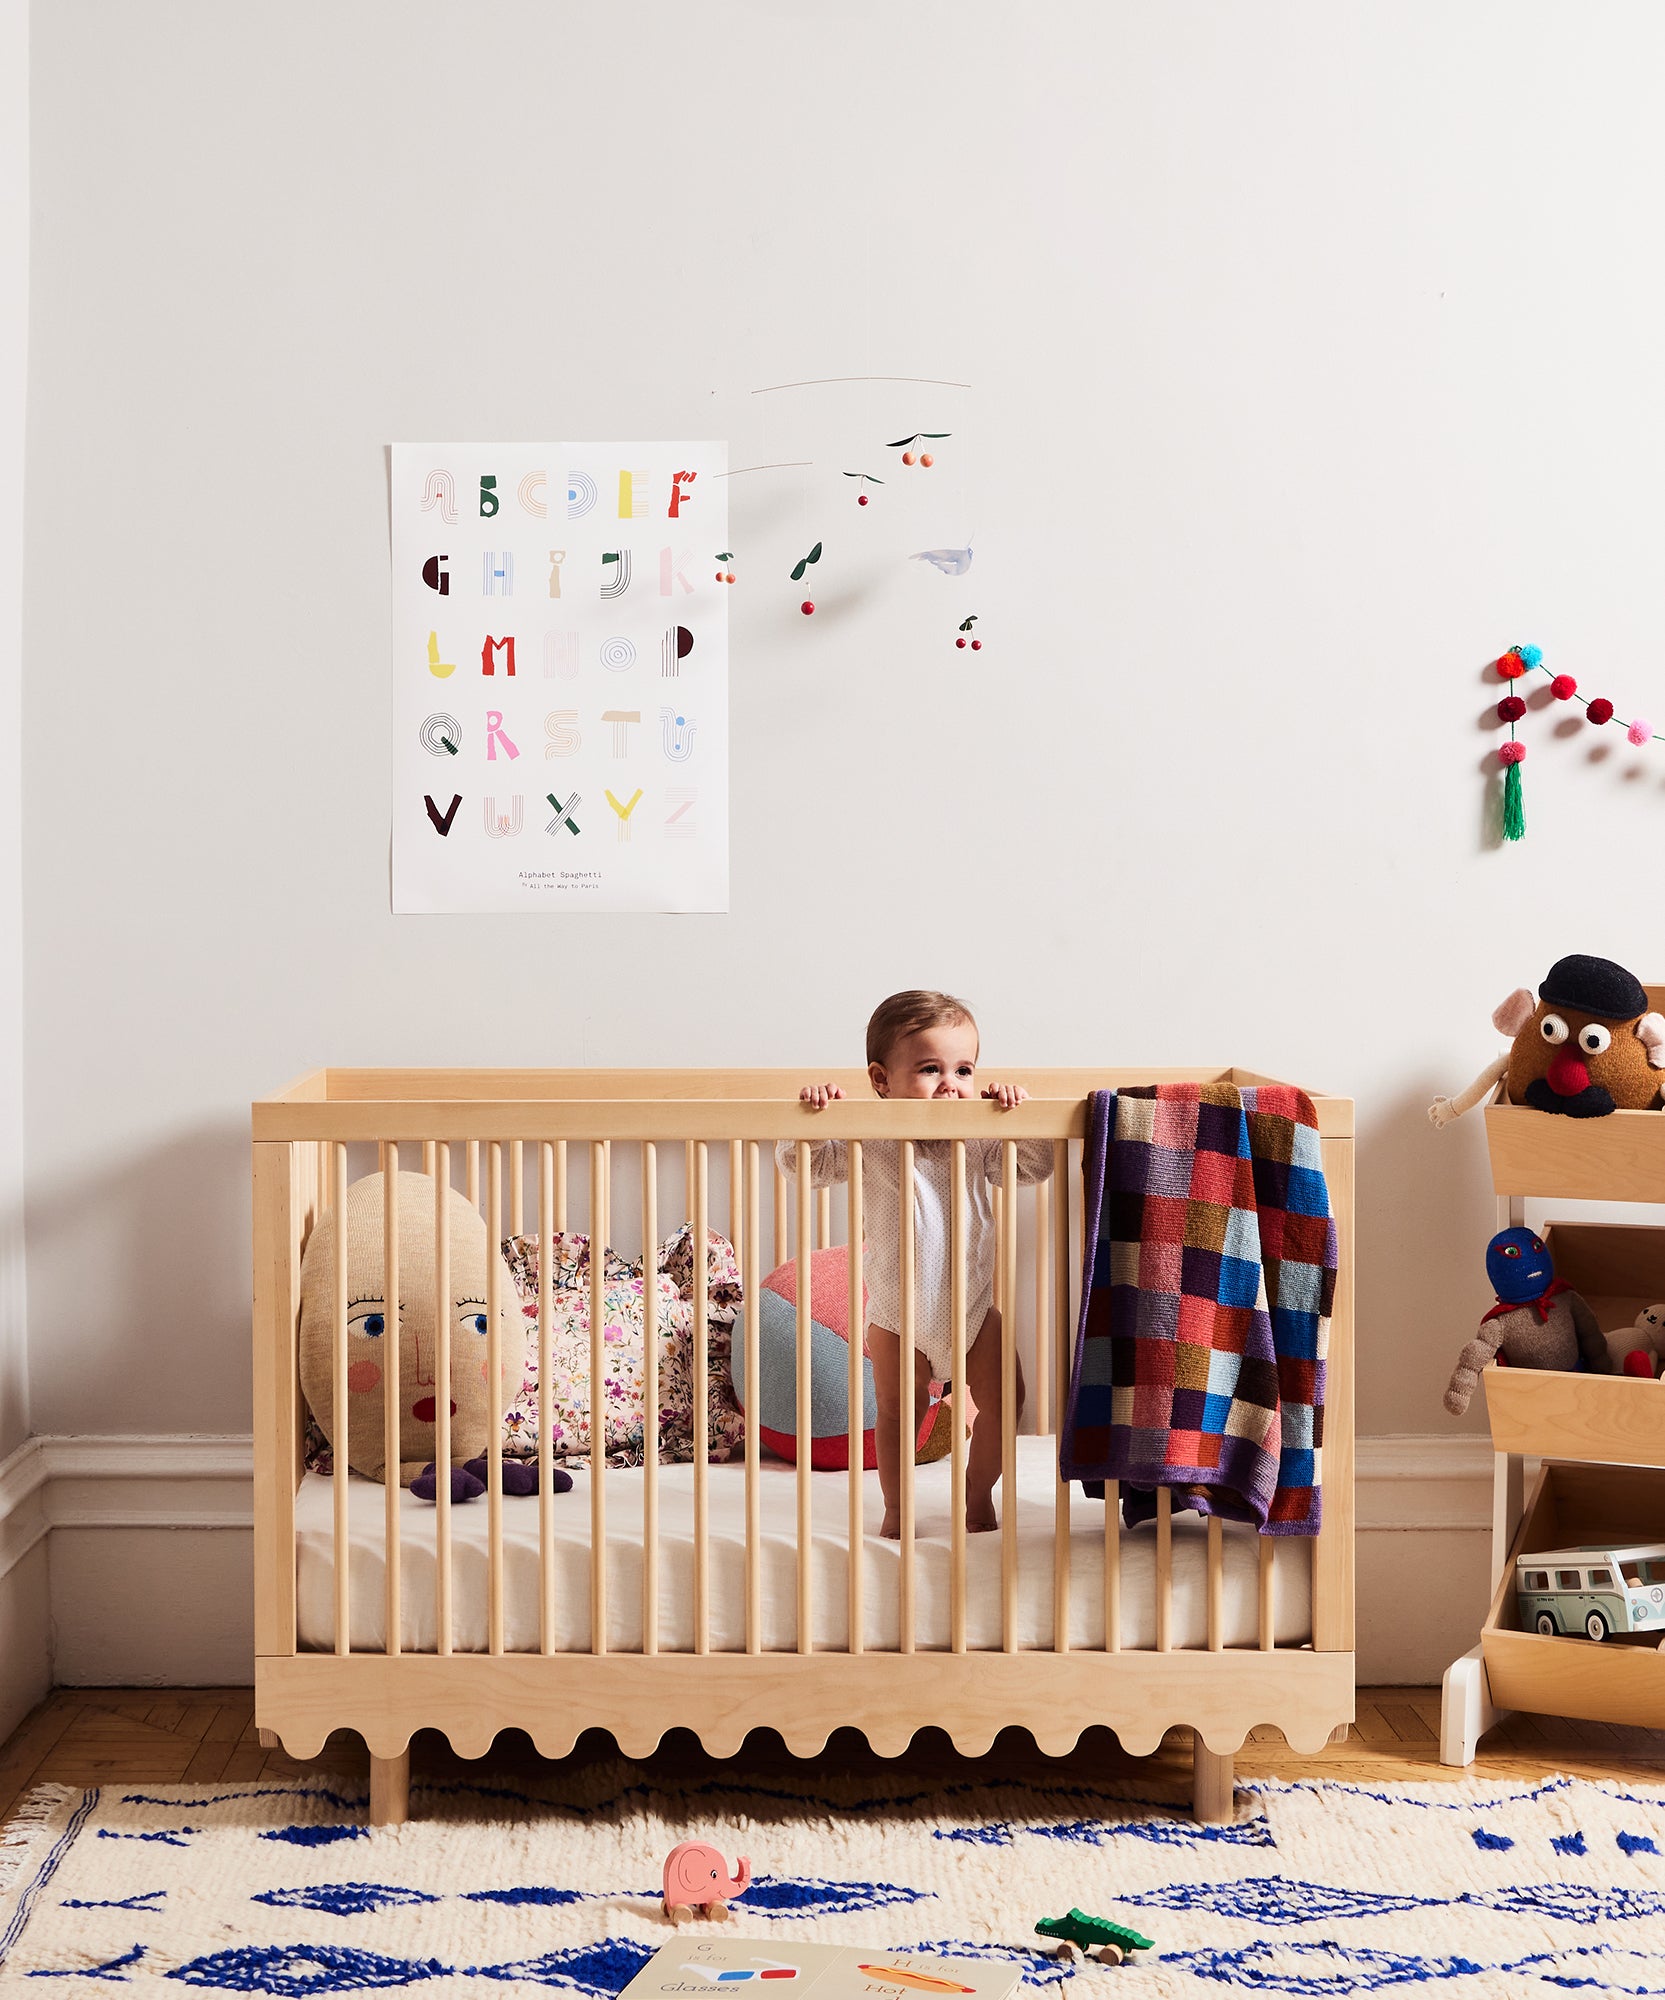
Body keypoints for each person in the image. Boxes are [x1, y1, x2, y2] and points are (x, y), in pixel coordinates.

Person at [782, 989, 1053, 1536]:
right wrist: (814, 1118)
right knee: (897, 1413)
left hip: (975, 1313)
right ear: (881, 1081)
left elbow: (1033, 1168)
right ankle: (898, 1507)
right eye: (930, 1069)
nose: (951, 1083)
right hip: (899, 1316)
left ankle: (978, 1492)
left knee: (1008, 1402)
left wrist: (1014, 1116)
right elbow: (804, 1165)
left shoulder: (977, 1136)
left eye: (964, 1069)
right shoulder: (872, 1134)